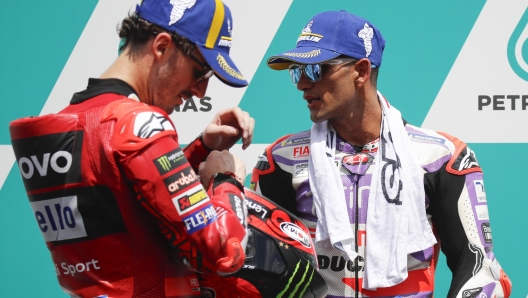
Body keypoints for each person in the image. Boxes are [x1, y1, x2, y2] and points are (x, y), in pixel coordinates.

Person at [250, 10, 512, 298]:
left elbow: (480, 268)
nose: (302, 84)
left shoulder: (442, 157)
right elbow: (260, 271)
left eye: (315, 70)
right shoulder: (282, 161)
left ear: (361, 71)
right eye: (296, 72)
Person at [9, 0, 255, 297]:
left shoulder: (72, 123)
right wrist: (226, 180)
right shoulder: (136, 124)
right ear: (162, 47)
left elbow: (127, 200)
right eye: (200, 71)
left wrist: (201, 148)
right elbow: (225, 252)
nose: (200, 91)